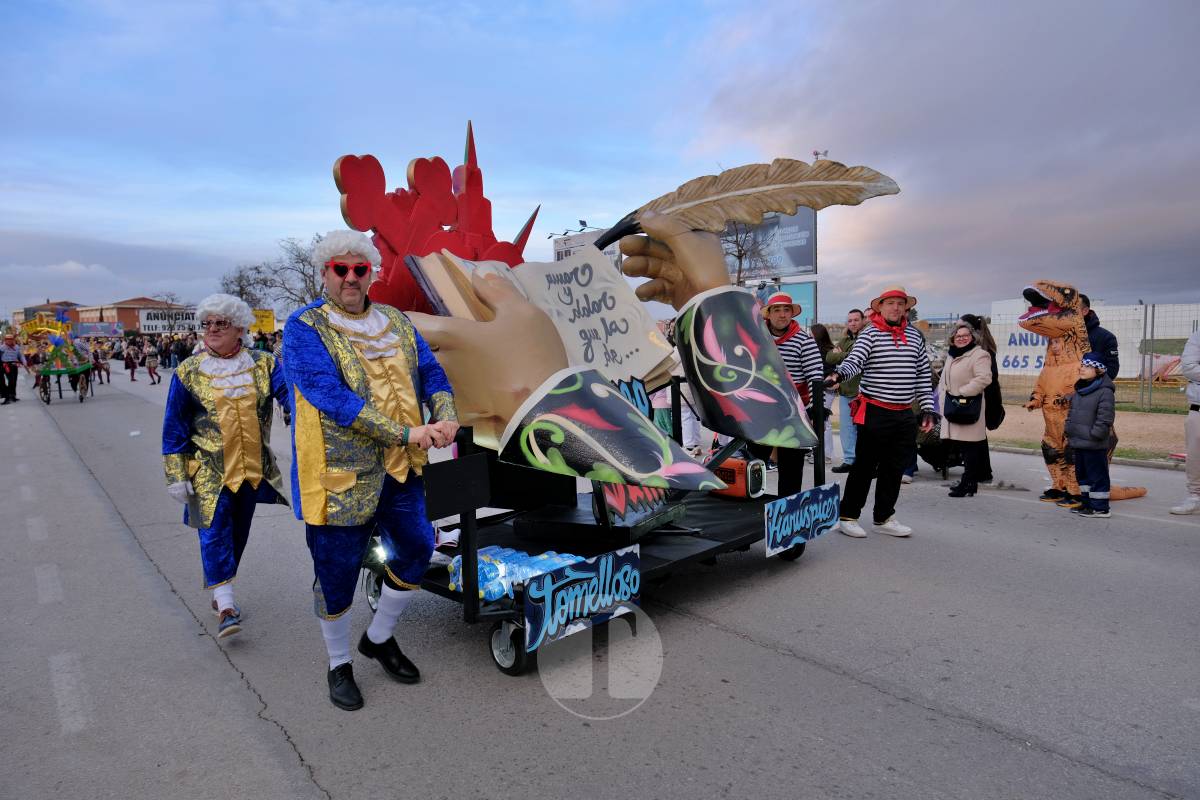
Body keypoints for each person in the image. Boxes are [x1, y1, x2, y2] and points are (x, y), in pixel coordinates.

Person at [283, 229, 459, 712]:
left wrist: (444, 414)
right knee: (336, 571)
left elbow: (433, 373)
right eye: (341, 269)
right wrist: (404, 432)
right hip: (341, 475)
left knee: (419, 548)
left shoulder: (397, 322)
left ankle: (378, 638)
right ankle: (338, 662)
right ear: (325, 273)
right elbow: (330, 397)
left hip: (402, 470)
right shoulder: (304, 327)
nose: (351, 278)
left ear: (371, 274)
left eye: (360, 269)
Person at [161, 294, 290, 638]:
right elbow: (174, 425)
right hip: (206, 471)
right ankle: (227, 606)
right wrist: (175, 474)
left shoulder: (264, 364)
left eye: (221, 323)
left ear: (240, 328)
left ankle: (222, 591)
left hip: (251, 469)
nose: (213, 330)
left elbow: (290, 397)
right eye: (207, 324)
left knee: (237, 536)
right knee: (214, 533)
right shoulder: (189, 371)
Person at [827, 287, 936, 538]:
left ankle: (884, 517)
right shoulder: (870, 333)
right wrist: (838, 374)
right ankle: (848, 515)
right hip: (875, 410)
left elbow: (921, 374)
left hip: (904, 413)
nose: (895, 308)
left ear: (905, 307)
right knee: (864, 466)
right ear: (880, 307)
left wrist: (928, 409)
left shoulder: (914, 336)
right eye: (890, 303)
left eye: (900, 303)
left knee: (894, 468)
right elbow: (855, 361)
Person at [755, 291, 825, 497]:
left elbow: (816, 377)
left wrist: (814, 410)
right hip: (763, 410)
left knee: (791, 468)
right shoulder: (758, 339)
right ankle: (750, 510)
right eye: (777, 310)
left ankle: (787, 511)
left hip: (794, 411)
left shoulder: (804, 341)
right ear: (769, 314)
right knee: (754, 463)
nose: (782, 314)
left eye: (787, 310)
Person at [938, 323, 993, 497]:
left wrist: (961, 393)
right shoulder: (952, 355)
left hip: (968, 407)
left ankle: (969, 482)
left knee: (970, 448)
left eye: (965, 335)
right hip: (953, 407)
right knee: (964, 447)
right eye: (958, 336)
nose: (961, 338)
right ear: (953, 338)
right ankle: (969, 482)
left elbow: (984, 378)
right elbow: (944, 379)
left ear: (972, 337)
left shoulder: (979, 355)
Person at [1065, 353, 1115, 519]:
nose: (1082, 368)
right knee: (1083, 476)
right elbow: (1072, 413)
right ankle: (1087, 504)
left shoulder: (1105, 392)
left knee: (1097, 476)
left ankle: (1101, 508)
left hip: (1094, 443)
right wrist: (1068, 429)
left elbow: (1105, 418)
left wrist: (1096, 435)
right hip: (1079, 442)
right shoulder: (1080, 389)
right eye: (1082, 365)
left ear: (1099, 370)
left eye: (1087, 366)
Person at [827, 309, 864, 473]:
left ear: (863, 320)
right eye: (850, 320)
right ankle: (849, 461)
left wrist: (843, 354)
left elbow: (862, 358)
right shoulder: (844, 339)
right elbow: (829, 357)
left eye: (856, 320)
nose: (853, 323)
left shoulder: (868, 338)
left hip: (863, 392)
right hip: (845, 392)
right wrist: (847, 355)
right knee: (846, 429)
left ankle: (865, 462)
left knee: (864, 430)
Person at [1170, 331, 1200, 515]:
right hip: (1198, 408)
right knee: (1196, 455)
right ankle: (1194, 497)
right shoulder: (1198, 337)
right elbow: (1189, 367)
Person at [810, 323, 836, 462]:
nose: (809, 336)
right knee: (818, 420)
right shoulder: (814, 349)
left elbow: (830, 371)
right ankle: (818, 452)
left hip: (826, 389)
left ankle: (825, 454)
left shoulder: (828, 351)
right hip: (818, 389)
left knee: (824, 420)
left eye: (811, 334)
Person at [1080, 295, 1119, 378]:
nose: (1068, 313)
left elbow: (1112, 370)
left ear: (1085, 311)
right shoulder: (1062, 336)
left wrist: (1090, 385)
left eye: (1073, 309)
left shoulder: (1106, 338)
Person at [1, 332, 30, 404]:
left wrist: (25, 362)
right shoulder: (1, 347)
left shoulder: (17, 347)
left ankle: (12, 396)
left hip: (14, 365)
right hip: (4, 365)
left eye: (11, 339)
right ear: (5, 340)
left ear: (13, 339)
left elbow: (21, 356)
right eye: (7, 339)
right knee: (3, 381)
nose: (9, 340)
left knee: (13, 381)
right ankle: (7, 396)